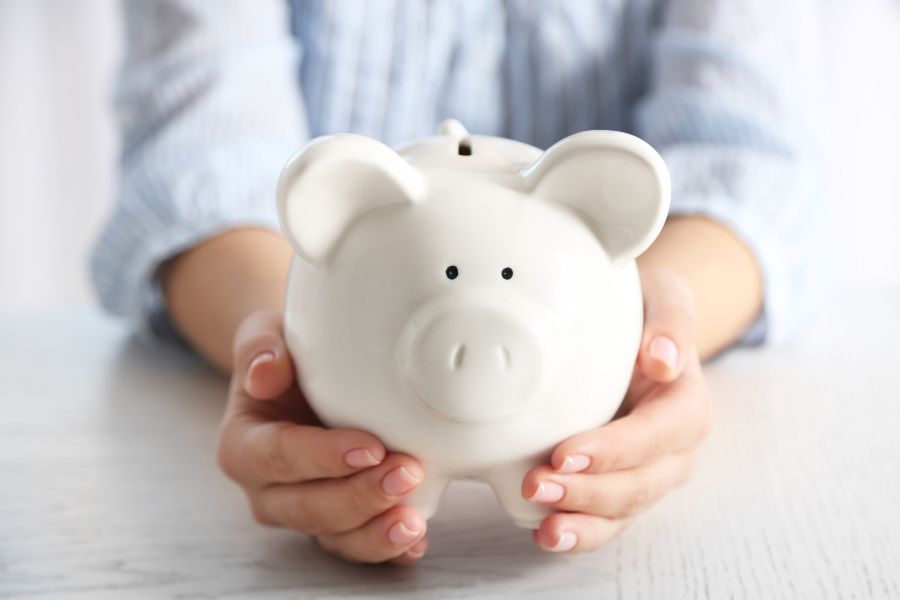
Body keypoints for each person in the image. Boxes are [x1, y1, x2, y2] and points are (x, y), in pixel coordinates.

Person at [92, 0, 820, 565]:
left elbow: (748, 158)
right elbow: (199, 158)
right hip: (309, 326)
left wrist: (658, 330)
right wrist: (286, 350)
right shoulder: (341, 207)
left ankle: (525, 483)